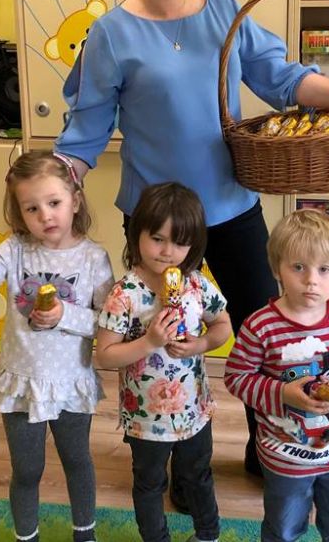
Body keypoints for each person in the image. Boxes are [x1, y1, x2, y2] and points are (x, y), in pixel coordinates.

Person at [55, 0, 329, 475]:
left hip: (231, 206)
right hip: (157, 225)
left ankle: (273, 450)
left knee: (269, 335)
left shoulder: (223, 10)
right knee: (161, 343)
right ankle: (174, 467)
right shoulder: (111, 32)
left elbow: (283, 78)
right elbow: (86, 127)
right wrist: (54, 187)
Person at [0, 151, 114, 542]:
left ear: (75, 200)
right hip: (21, 383)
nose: (45, 216)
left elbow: (108, 323)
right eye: (32, 208)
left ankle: (85, 534)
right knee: (26, 470)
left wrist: (64, 315)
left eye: (54, 203)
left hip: (71, 383)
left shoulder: (93, 258)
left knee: (77, 462)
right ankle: (27, 537)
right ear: (20, 213)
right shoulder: (13, 249)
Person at [224, 209, 329, 542]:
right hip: (284, 453)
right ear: (276, 268)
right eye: (298, 267)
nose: (311, 280)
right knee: (283, 526)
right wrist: (282, 393)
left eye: (324, 269)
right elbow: (237, 377)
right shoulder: (260, 325)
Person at [95, 182, 232, 542]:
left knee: (197, 475)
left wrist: (201, 343)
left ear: (193, 245)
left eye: (179, 242)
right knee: (149, 482)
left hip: (193, 409)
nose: (167, 252)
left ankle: (208, 533)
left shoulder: (197, 285)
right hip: (145, 416)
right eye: (157, 238)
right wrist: (149, 342)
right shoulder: (124, 294)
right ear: (136, 234)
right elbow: (105, 354)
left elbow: (223, 326)